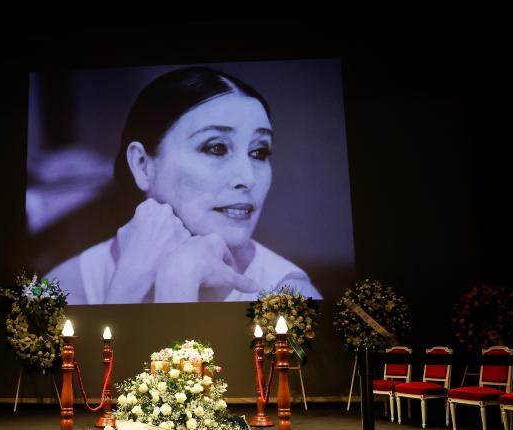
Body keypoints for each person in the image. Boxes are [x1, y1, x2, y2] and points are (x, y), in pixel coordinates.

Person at [45, 66, 321, 304]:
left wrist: (180, 274)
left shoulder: (290, 296)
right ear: (142, 164)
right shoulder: (61, 290)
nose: (247, 178)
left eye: (259, 152)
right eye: (216, 148)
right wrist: (130, 279)